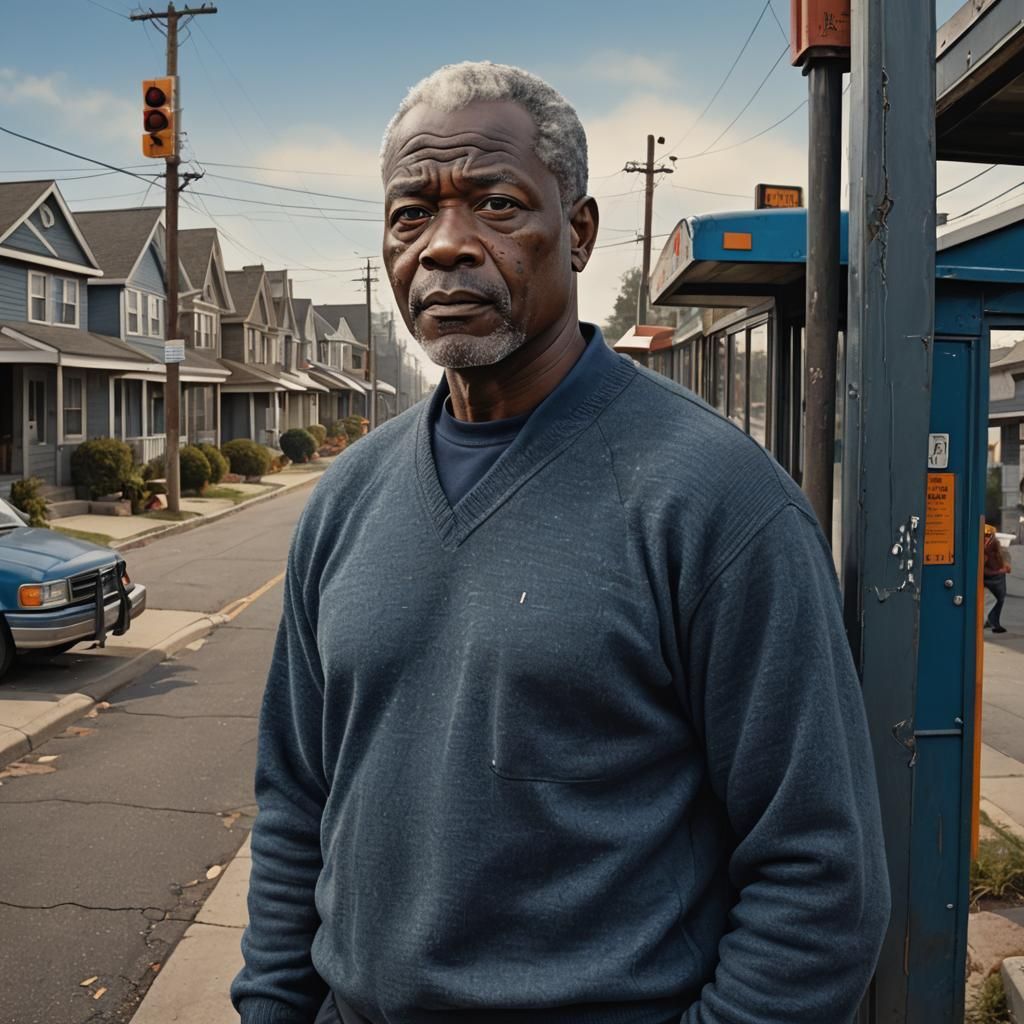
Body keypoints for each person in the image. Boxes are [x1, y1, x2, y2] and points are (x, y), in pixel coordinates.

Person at [232, 62, 890, 1024]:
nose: (445, 245)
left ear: (577, 231)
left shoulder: (717, 502)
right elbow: (296, 806)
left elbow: (821, 876)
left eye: (496, 205)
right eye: (411, 215)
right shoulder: (345, 500)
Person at [984, 523, 1011, 634]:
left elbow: (1007, 566)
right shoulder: (978, 547)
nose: (985, 537)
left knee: (999, 600)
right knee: (986, 600)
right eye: (984, 535)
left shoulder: (998, 548)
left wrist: (1000, 569)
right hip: (986, 578)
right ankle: (988, 621)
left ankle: (994, 622)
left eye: (988, 535)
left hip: (997, 579)